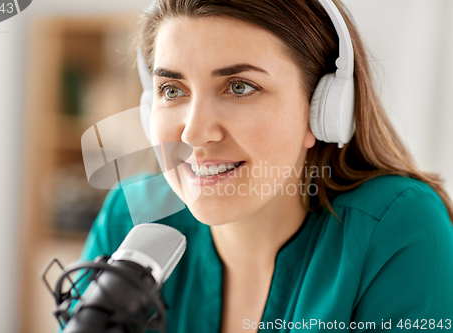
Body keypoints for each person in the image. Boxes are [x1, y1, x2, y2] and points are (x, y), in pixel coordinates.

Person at [77, 0, 453, 332]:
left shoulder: (396, 228)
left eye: (239, 87)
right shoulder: (130, 221)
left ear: (323, 111)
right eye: (172, 90)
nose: (193, 133)